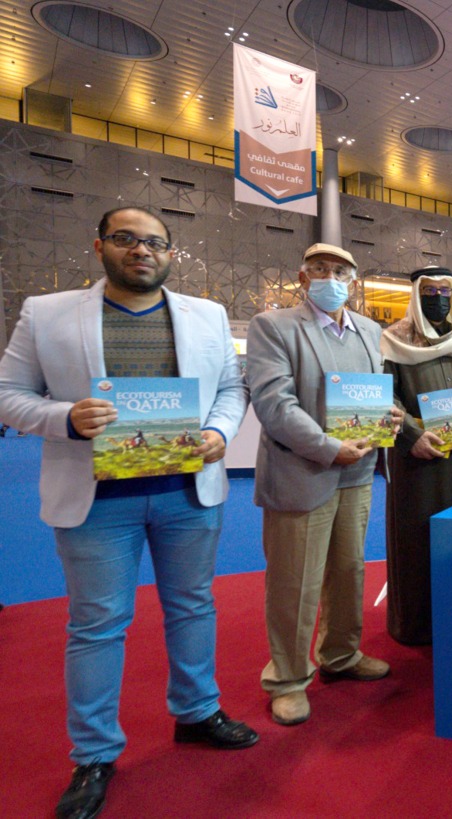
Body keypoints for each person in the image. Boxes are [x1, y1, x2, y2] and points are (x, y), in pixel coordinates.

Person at [0, 206, 257, 819]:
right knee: (96, 626)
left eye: (154, 243)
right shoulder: (47, 312)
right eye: (125, 239)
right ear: (100, 247)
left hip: (187, 493)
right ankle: (93, 754)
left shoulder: (208, 315)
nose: (141, 251)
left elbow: (229, 387)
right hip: (95, 501)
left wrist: (221, 432)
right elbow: (9, 396)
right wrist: (62, 418)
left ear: (169, 254)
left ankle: (197, 713)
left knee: (193, 606)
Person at [246, 242, 403, 726]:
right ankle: (289, 678)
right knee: (296, 580)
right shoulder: (274, 327)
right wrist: (326, 446)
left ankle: (341, 654)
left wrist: (389, 417)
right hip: (302, 470)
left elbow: (373, 398)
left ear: (353, 281)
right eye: (320, 269)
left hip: (357, 473)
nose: (330, 277)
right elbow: (274, 405)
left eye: (340, 271)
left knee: (348, 569)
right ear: (302, 276)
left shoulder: (371, 332)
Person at [380, 266, 452, 646]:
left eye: (446, 291)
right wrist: (410, 437)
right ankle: (417, 626)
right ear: (415, 294)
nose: (438, 299)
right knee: (417, 539)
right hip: (418, 461)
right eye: (429, 292)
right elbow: (383, 398)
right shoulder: (393, 342)